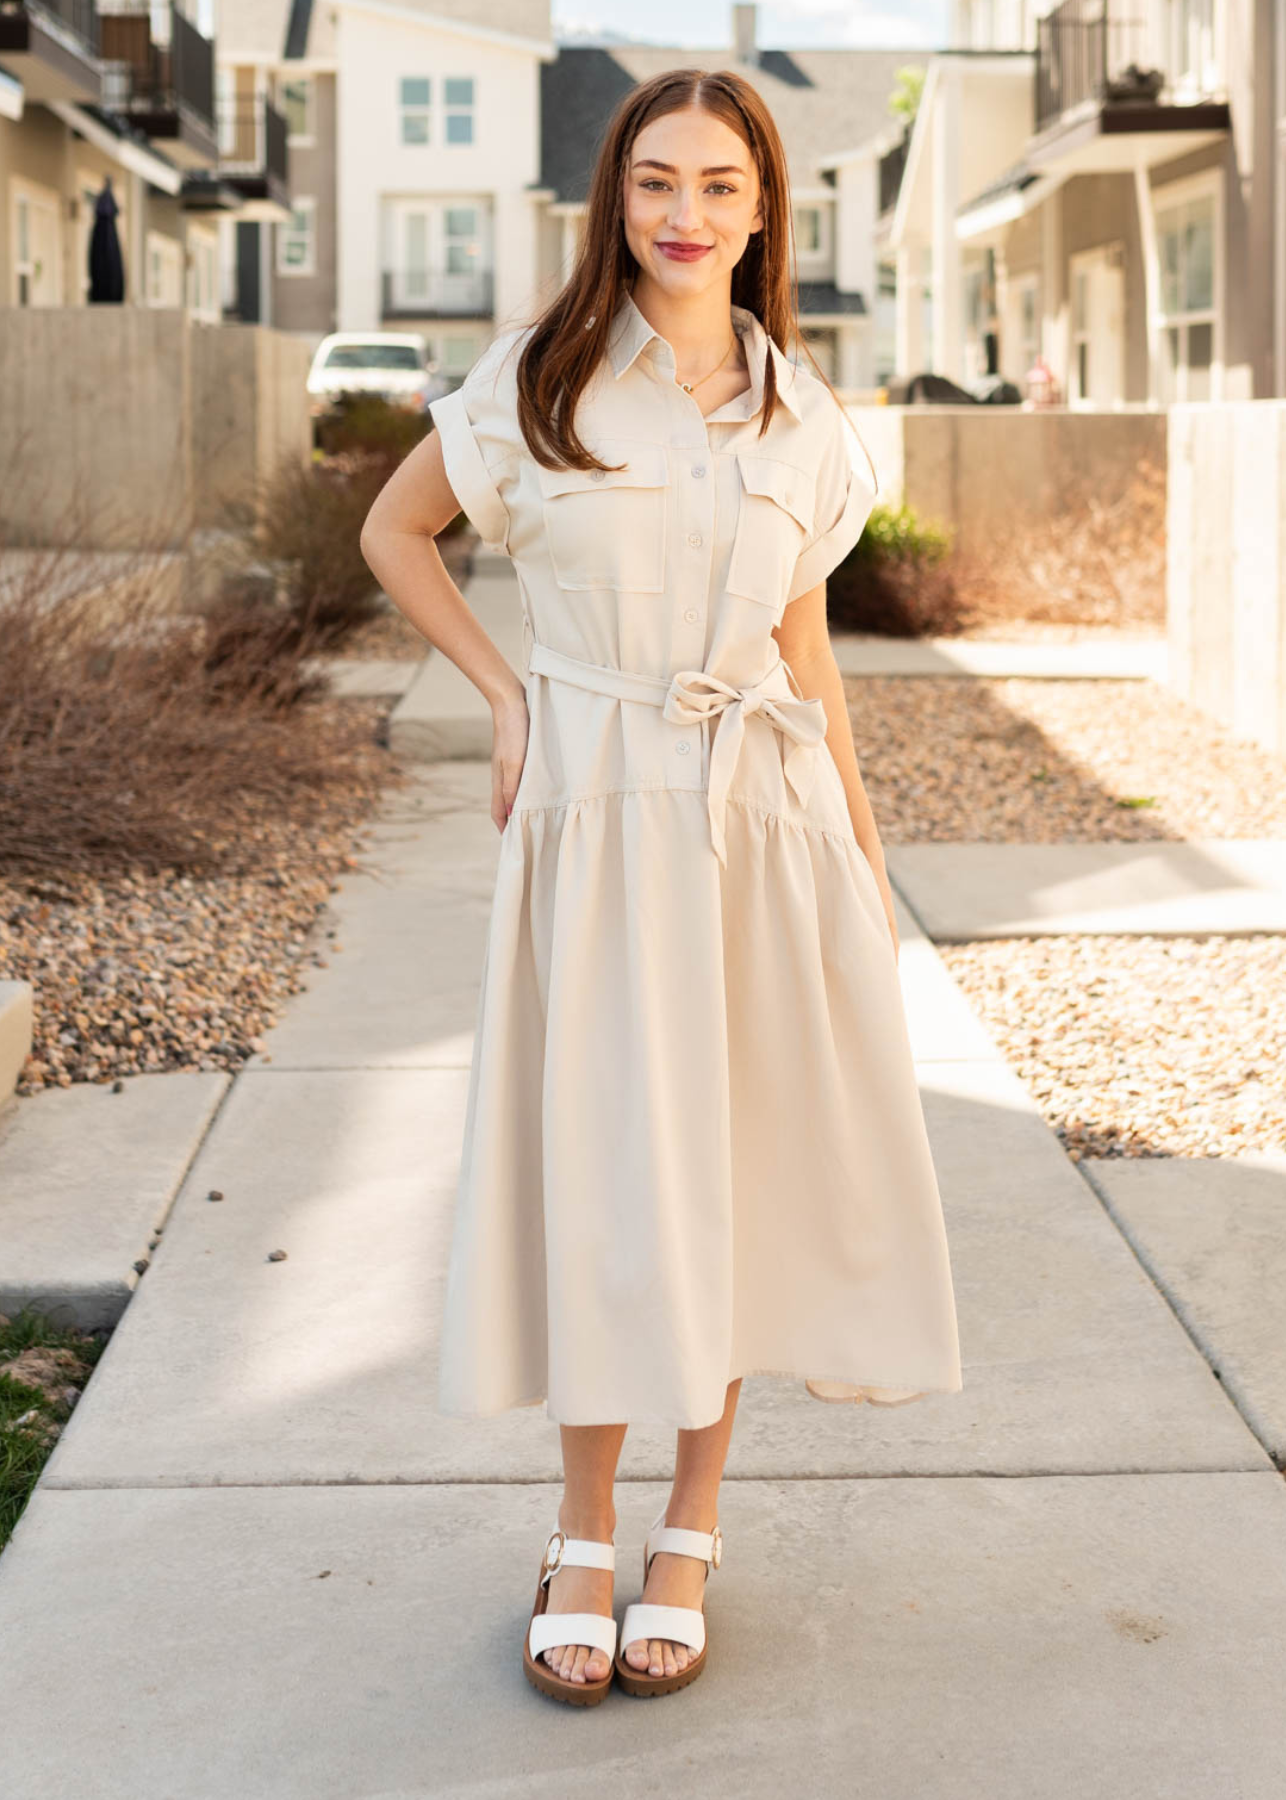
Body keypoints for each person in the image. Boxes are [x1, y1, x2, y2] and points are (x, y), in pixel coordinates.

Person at [359, 66, 963, 1708]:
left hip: (759, 821)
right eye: (652, 183)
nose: (683, 215)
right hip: (601, 809)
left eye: (716, 185)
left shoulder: (797, 414)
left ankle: (688, 1528)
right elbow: (395, 535)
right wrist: (507, 698)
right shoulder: (538, 382)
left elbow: (804, 651)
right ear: (612, 201)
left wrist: (859, 848)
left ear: (765, 207)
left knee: (730, 1176)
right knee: (608, 1173)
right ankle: (577, 1525)